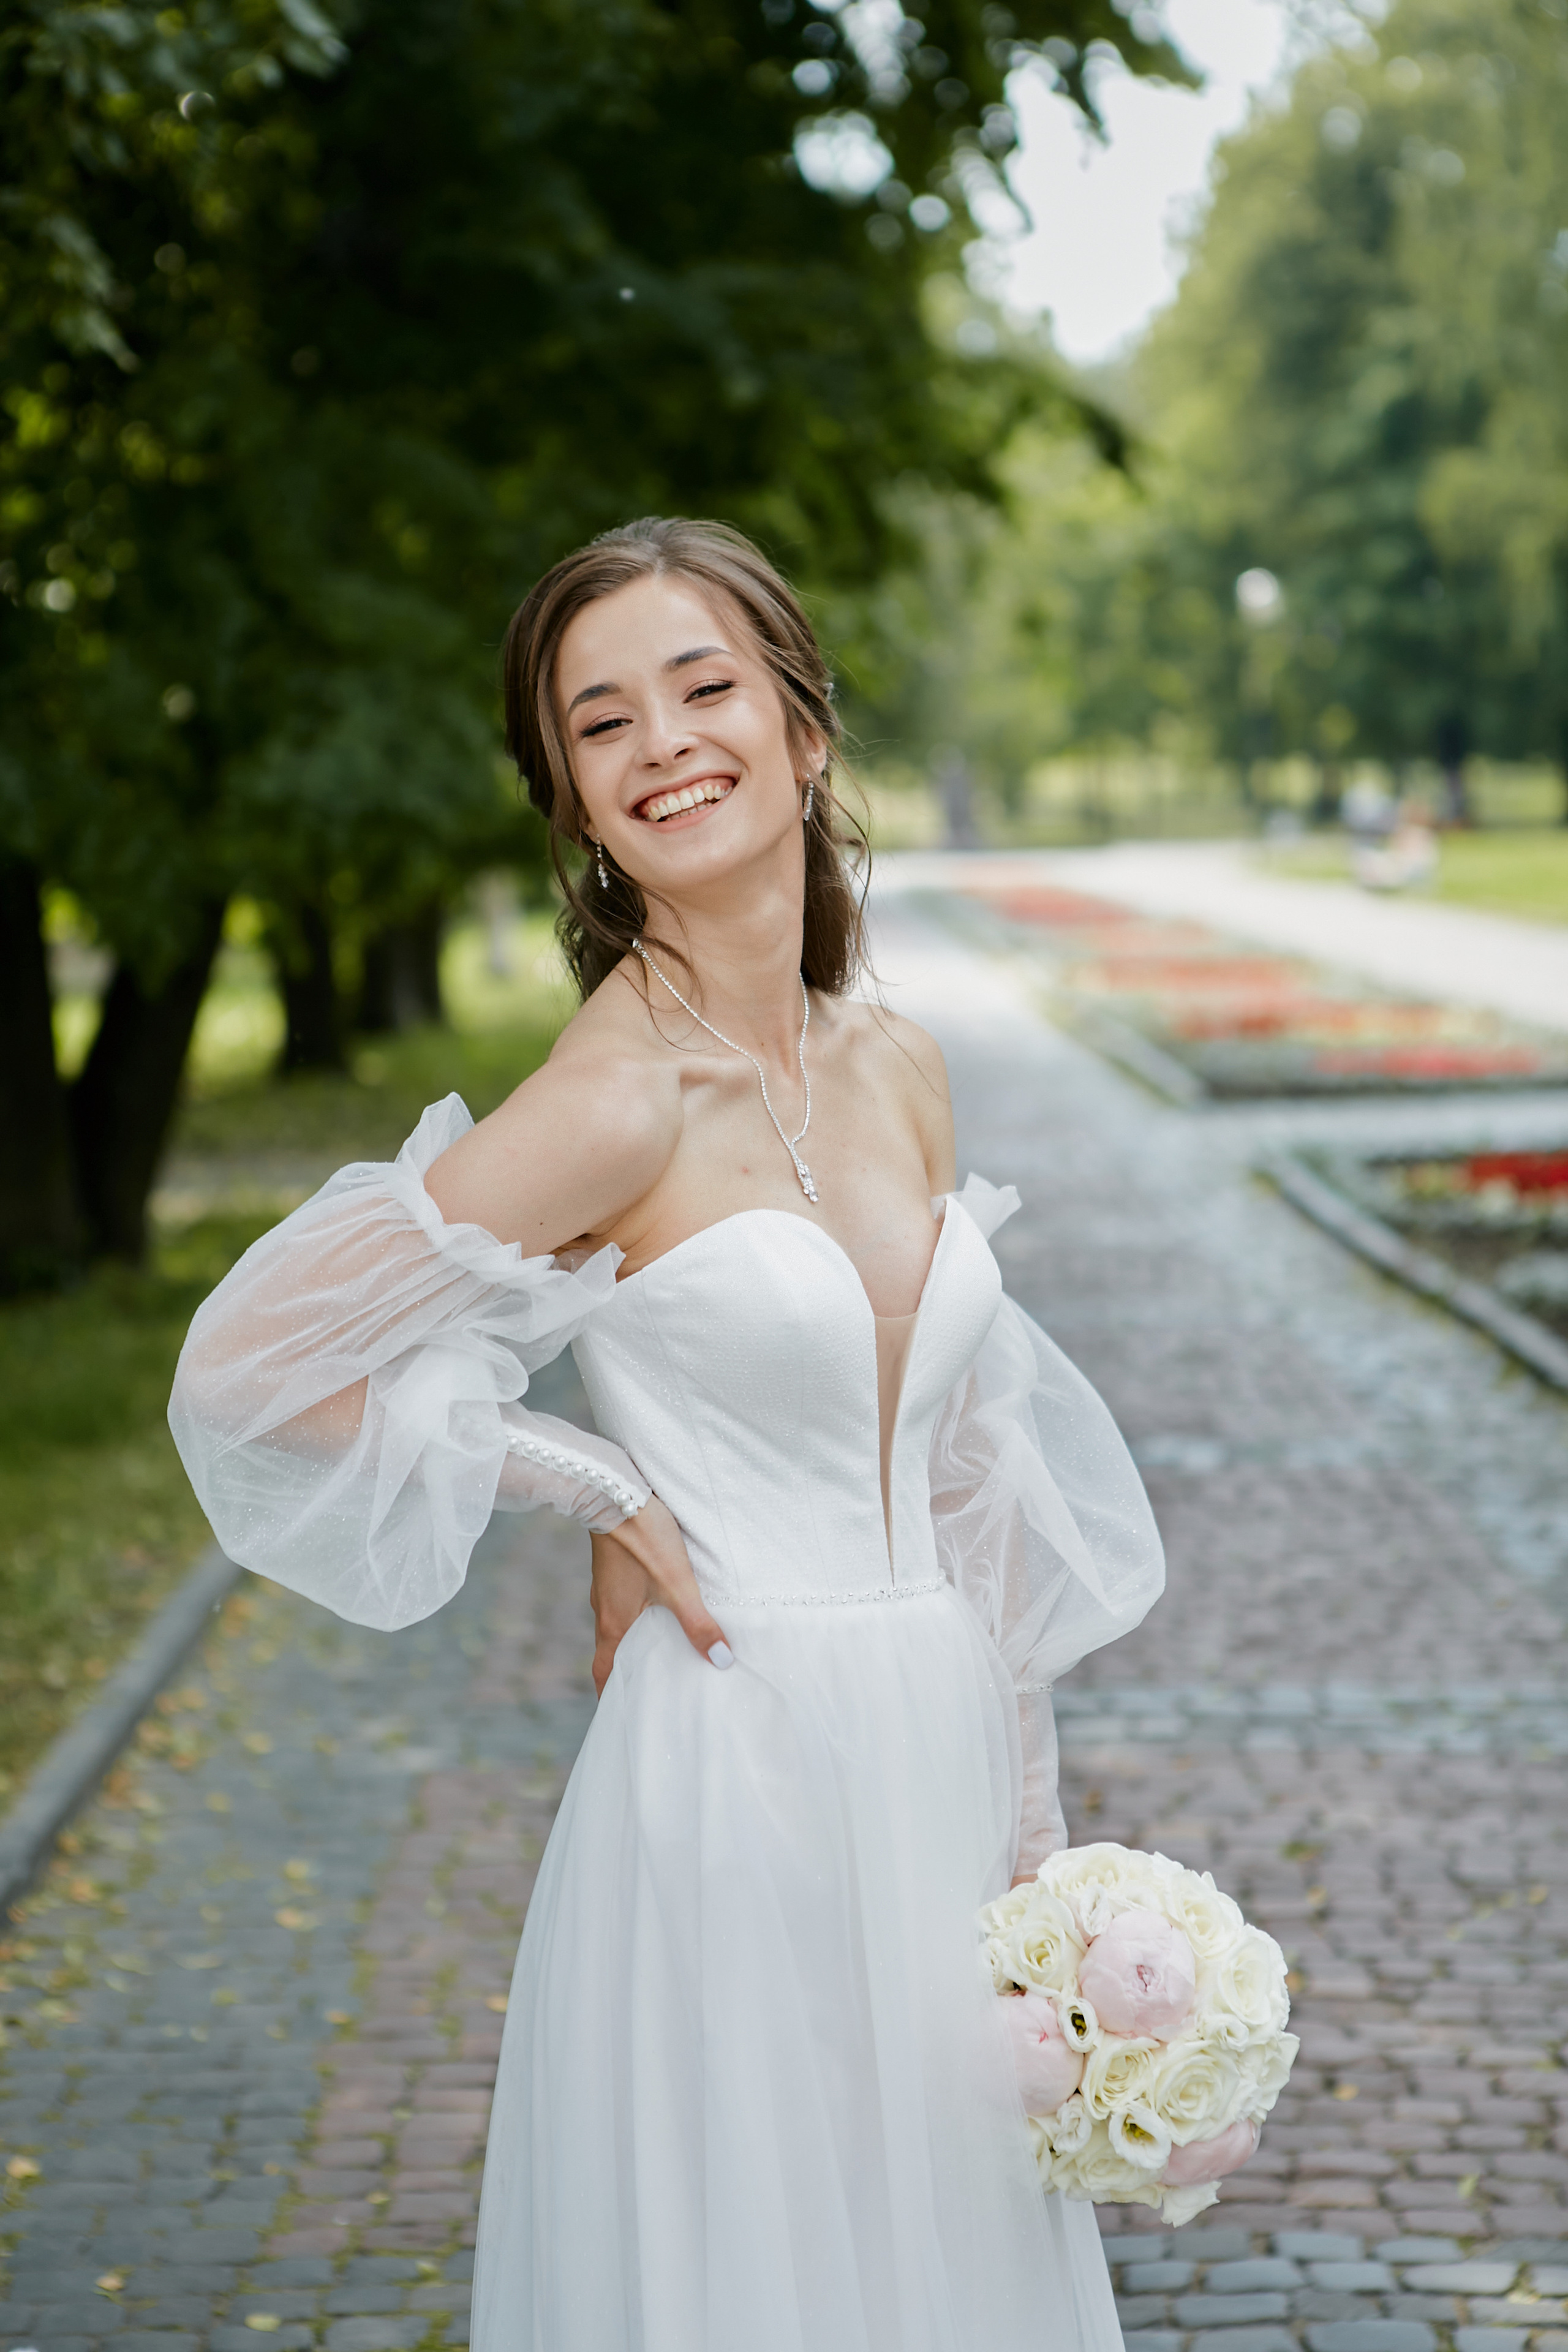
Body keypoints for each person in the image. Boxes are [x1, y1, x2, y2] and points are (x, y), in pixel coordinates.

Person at [169, 517, 1166, 2351]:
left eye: (703, 688)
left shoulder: (897, 1063)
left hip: (939, 1761)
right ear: (573, 798)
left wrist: (1042, 1856)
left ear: (805, 729)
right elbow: (247, 1364)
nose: (663, 743)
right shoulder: (614, 1098)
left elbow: (970, 1477)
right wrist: (595, 1484)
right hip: (734, 1766)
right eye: (601, 720)